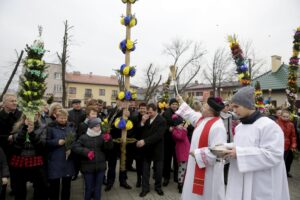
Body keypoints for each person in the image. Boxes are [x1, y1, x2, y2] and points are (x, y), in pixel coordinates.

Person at [224, 86, 290, 200]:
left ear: (248, 105)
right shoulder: (240, 127)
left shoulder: (268, 126)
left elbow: (274, 154)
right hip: (241, 179)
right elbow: (241, 147)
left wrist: (239, 153)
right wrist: (226, 149)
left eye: (236, 106)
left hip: (261, 183)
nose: (234, 110)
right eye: (232, 107)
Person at [175, 96, 227, 200]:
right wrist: (181, 100)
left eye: (205, 105)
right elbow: (190, 113)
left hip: (207, 171)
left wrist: (197, 154)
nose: (202, 107)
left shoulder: (218, 127)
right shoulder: (202, 119)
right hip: (194, 165)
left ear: (210, 110)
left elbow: (218, 152)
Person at [72, 118, 113, 200]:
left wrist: (108, 141)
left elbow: (108, 149)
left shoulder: (102, 136)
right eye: (97, 126)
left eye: (99, 126)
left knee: (98, 188)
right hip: (87, 167)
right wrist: (86, 152)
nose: (99, 128)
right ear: (91, 127)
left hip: (100, 166)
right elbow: (75, 147)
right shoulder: (83, 137)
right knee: (88, 187)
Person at [9, 113, 48, 200]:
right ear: (25, 116)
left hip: (36, 159)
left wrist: (31, 133)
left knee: (39, 188)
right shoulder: (18, 126)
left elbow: (41, 145)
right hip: (20, 160)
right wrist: (24, 128)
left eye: (36, 114)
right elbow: (17, 143)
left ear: (38, 116)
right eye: (30, 114)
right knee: (19, 189)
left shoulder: (43, 127)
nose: (33, 116)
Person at [136, 103, 166, 197]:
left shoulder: (162, 120)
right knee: (145, 170)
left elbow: (158, 135)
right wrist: (142, 122)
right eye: (147, 112)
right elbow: (139, 132)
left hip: (157, 149)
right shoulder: (146, 118)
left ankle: (158, 187)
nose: (149, 114)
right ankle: (145, 188)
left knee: (158, 171)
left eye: (150, 112)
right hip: (147, 149)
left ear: (156, 110)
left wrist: (145, 141)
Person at [46, 109, 75, 200]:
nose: (63, 120)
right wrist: (57, 142)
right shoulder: (51, 128)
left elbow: (76, 140)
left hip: (67, 161)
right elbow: (46, 142)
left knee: (67, 185)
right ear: (56, 117)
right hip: (55, 160)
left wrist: (71, 148)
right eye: (61, 118)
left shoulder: (71, 127)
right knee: (54, 186)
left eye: (65, 118)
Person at [105, 99, 131, 191]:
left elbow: (131, 124)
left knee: (123, 162)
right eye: (121, 101)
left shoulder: (127, 111)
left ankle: (123, 181)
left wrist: (128, 117)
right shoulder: (112, 110)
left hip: (122, 140)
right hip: (113, 141)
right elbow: (108, 122)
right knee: (112, 163)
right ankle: (110, 182)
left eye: (125, 101)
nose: (123, 103)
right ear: (117, 101)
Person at [0, 93, 22, 198]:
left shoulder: (21, 115)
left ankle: (15, 190)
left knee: (16, 172)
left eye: (15, 100)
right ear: (4, 104)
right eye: (11, 101)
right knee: (3, 172)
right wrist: (7, 137)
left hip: (18, 148)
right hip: (3, 149)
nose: (15, 103)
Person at [128, 102, 147, 188]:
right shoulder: (134, 118)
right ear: (139, 109)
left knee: (145, 164)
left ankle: (145, 180)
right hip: (138, 145)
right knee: (139, 164)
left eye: (144, 108)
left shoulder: (149, 118)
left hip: (147, 144)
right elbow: (133, 132)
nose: (142, 110)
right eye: (141, 108)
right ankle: (139, 179)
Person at [162, 98, 179, 186]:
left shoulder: (180, 113)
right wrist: (168, 128)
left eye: (176, 104)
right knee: (167, 159)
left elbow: (183, 122)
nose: (174, 106)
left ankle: (176, 176)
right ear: (170, 105)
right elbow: (163, 125)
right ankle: (166, 177)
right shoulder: (166, 113)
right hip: (168, 139)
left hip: (177, 140)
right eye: (173, 104)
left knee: (177, 159)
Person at [171, 114, 190, 193]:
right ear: (176, 125)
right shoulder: (175, 132)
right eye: (180, 124)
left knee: (185, 169)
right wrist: (184, 129)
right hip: (181, 152)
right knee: (182, 169)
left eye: (182, 124)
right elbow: (181, 138)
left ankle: (184, 183)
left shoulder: (181, 130)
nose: (182, 126)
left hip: (186, 152)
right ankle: (180, 184)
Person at [276, 109, 297, 177]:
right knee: (278, 160)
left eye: (287, 116)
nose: (285, 118)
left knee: (287, 160)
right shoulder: (276, 123)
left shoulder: (291, 124)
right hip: (277, 144)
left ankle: (285, 172)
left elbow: (293, 136)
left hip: (287, 145)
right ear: (280, 116)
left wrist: (293, 145)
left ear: (289, 117)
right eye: (284, 116)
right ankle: (278, 174)